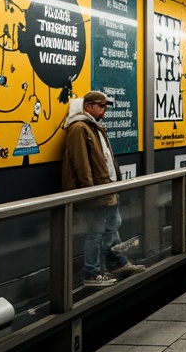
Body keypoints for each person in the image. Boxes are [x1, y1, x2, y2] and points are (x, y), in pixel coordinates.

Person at [62, 90, 145, 288]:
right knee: (96, 231)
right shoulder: (79, 128)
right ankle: (91, 273)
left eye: (105, 106)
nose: (104, 110)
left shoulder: (94, 127)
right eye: (100, 106)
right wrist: (90, 191)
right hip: (96, 191)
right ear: (87, 106)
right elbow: (81, 164)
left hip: (107, 188)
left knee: (112, 224)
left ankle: (116, 262)